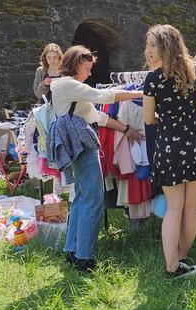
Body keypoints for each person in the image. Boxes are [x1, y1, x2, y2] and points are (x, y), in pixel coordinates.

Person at [51, 45, 143, 272]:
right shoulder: (68, 84)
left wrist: (125, 128)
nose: (90, 73)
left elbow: (98, 116)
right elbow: (104, 96)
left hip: (74, 142)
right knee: (93, 199)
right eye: (87, 67)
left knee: (82, 198)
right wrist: (140, 92)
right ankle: (85, 257)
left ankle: (73, 251)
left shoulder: (67, 88)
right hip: (81, 142)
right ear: (76, 64)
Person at [143, 24, 196, 279]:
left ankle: (172, 265)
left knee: (174, 207)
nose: (148, 50)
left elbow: (148, 119)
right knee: (191, 206)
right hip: (194, 142)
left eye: (152, 44)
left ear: (165, 46)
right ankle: (182, 256)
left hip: (169, 144)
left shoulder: (153, 79)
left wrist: (165, 114)